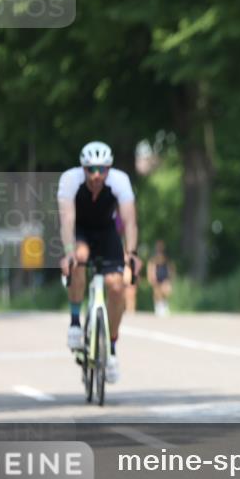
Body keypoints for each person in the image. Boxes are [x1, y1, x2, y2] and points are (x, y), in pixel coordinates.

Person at [57, 141, 140, 383]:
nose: (96, 175)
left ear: (109, 168)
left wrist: (132, 252)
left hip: (106, 232)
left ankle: (111, 349)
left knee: (116, 286)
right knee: (79, 258)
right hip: (79, 231)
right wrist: (69, 250)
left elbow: (130, 221)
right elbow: (67, 220)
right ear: (82, 168)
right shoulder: (70, 180)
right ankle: (75, 322)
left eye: (101, 169)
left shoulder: (120, 181)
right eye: (91, 169)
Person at [147, 240, 175, 316]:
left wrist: (171, 277)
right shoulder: (153, 258)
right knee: (157, 292)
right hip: (156, 277)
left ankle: (164, 305)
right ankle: (158, 307)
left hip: (165, 277)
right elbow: (151, 267)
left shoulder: (167, 258)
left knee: (166, 291)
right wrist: (151, 276)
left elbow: (171, 268)